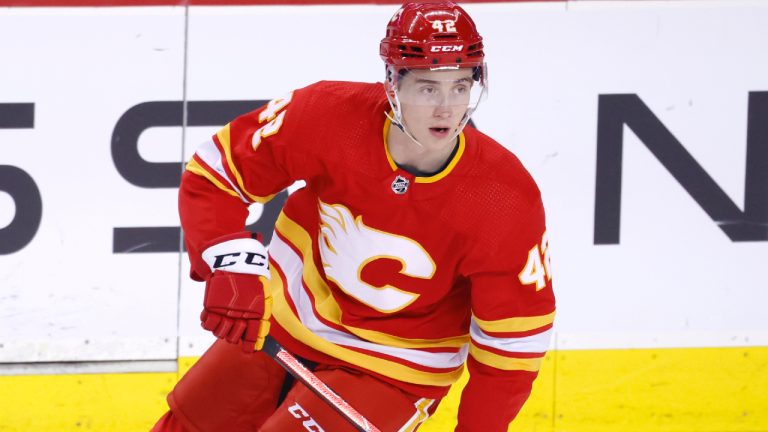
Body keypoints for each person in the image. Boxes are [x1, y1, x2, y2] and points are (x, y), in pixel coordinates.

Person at [151, 2, 555, 431]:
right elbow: (217, 175)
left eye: (459, 86)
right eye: (427, 88)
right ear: (392, 83)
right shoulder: (327, 114)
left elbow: (513, 342)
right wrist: (231, 264)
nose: (447, 108)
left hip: (394, 369)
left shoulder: (505, 198)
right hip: (284, 323)